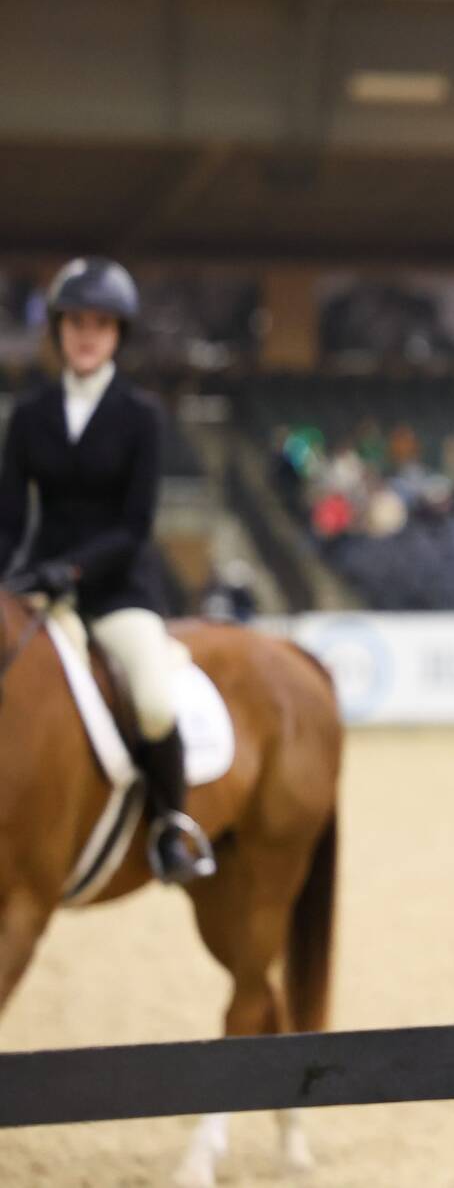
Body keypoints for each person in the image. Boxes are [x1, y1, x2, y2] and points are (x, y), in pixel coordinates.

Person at [0, 257, 215, 883]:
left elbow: (135, 524)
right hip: (41, 589)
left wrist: (73, 570)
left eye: (100, 323)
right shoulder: (32, 413)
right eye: (75, 322)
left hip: (118, 590)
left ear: (118, 332)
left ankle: (172, 828)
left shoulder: (140, 415)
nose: (86, 334)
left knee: (151, 698)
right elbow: (10, 517)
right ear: (59, 330)